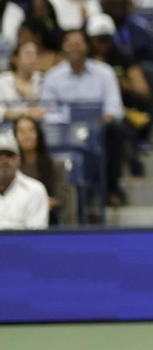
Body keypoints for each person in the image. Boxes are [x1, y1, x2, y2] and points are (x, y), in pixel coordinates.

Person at [42, 28, 130, 206]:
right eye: (70, 44)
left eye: (78, 43)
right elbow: (46, 111)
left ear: (87, 46)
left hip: (98, 127)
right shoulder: (53, 76)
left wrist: (101, 120)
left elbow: (114, 108)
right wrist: (71, 120)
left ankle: (110, 189)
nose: (74, 48)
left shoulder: (104, 72)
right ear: (63, 47)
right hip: (64, 130)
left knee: (116, 130)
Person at [0, 127, 49, 229]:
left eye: (8, 155)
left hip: (23, 245)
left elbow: (36, 236)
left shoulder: (35, 190)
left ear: (18, 159)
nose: (3, 160)